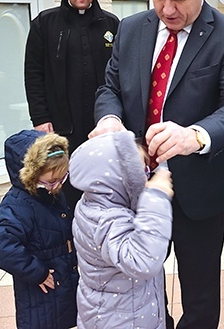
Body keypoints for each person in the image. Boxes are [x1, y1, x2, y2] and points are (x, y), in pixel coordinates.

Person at [89, 0, 224, 329]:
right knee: (141, 284)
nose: (166, 9)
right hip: (137, 186)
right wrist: (110, 118)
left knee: (200, 295)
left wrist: (195, 135)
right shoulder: (131, 29)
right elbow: (110, 88)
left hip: (198, 190)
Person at [24, 0, 120, 213]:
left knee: (103, 179)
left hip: (100, 123)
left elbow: (122, 75)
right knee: (67, 184)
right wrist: (40, 117)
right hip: (61, 123)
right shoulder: (45, 24)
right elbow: (33, 73)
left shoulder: (111, 24)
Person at [70, 131, 174, 329]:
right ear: (117, 180)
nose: (146, 177)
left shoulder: (93, 203)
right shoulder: (106, 220)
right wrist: (155, 198)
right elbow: (143, 261)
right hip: (120, 320)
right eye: (140, 172)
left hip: (123, 312)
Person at [0, 130, 78, 329]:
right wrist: (37, 272)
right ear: (30, 175)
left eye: (62, 179)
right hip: (40, 291)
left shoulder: (51, 193)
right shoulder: (17, 205)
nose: (57, 186)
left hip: (61, 279)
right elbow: (5, 250)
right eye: (50, 181)